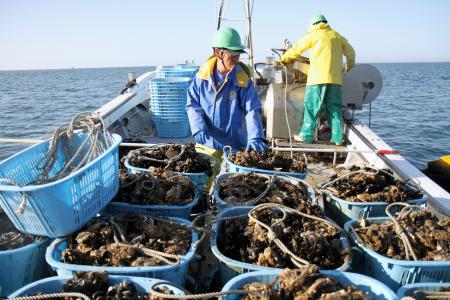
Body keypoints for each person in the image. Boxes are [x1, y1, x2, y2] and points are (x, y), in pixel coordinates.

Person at [186, 27, 267, 152]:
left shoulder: (243, 80)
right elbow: (193, 104)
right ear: (219, 52)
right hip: (207, 144)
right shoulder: (202, 77)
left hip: (235, 146)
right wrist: (198, 127)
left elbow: (252, 109)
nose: (237, 58)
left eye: (238, 53)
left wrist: (255, 136)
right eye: (232, 53)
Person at [278, 14, 355, 145]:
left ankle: (307, 136)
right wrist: (348, 66)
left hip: (317, 79)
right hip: (335, 80)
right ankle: (337, 138)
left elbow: (296, 49)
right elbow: (351, 53)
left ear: (313, 25)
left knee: (311, 108)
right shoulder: (337, 36)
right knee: (334, 108)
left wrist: (283, 59)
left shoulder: (313, 35)